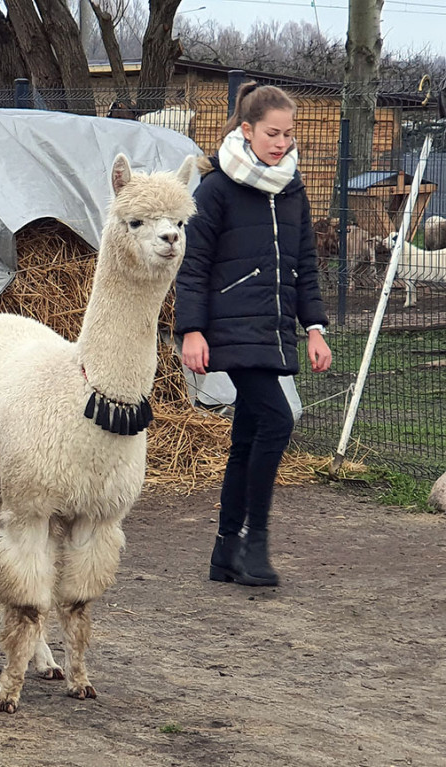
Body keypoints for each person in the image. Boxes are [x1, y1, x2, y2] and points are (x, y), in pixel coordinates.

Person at [175, 82, 332, 587]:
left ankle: (225, 550)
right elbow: (192, 265)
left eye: (288, 134)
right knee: (278, 419)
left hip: (275, 328)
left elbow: (305, 262)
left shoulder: (292, 187)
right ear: (247, 129)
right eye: (272, 133)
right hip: (231, 328)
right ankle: (255, 541)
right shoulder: (216, 189)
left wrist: (315, 328)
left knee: (248, 435)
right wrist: (192, 330)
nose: (282, 143)